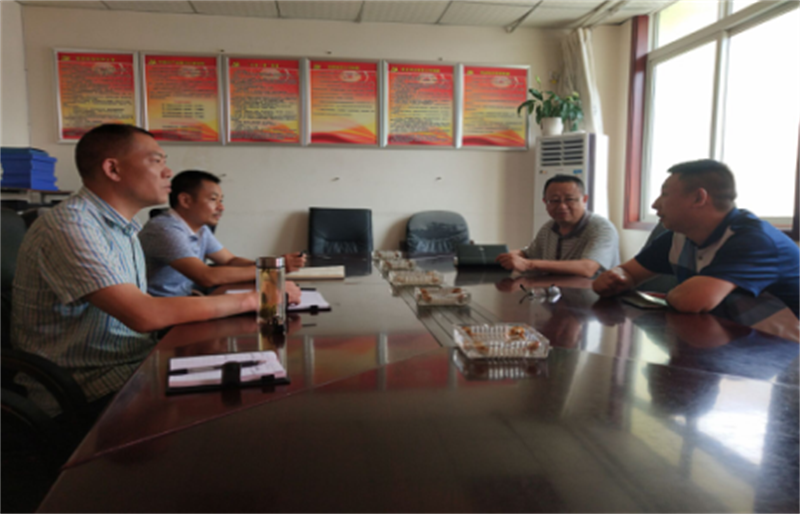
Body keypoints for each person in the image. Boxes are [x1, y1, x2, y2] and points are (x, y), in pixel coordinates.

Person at [10, 124, 259, 415]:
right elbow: (143, 314)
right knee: (234, 406)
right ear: (113, 169)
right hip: (88, 387)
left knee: (249, 379)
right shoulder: (70, 225)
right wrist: (254, 299)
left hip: (134, 363)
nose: (168, 172)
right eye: (157, 161)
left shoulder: (126, 228)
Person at [593, 159, 799, 340]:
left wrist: (672, 295)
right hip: (734, 345)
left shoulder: (754, 241)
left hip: (785, 355)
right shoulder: (679, 237)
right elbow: (628, 272)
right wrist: (615, 278)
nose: (655, 204)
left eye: (664, 194)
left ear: (699, 198)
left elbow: (691, 301)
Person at [138, 170, 304, 300]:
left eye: (221, 201)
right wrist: (271, 269)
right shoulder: (165, 230)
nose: (221, 207)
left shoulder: (201, 229)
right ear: (185, 200)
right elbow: (206, 277)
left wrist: (271, 265)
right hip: (160, 310)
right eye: (213, 200)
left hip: (185, 300)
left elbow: (230, 260)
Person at [496, 175, 619, 277]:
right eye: (554, 201)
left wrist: (529, 264)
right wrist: (500, 256)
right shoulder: (549, 228)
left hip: (594, 297)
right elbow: (528, 254)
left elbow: (587, 268)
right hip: (556, 294)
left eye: (569, 199)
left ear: (585, 199)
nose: (562, 206)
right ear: (545, 202)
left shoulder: (601, 228)